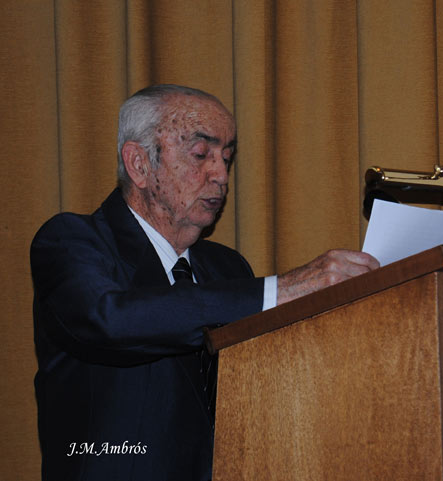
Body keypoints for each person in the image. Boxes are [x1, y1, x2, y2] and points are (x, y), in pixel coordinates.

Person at [30, 84, 379, 481]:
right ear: (139, 164)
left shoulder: (228, 268)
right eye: (201, 155)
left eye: (226, 158)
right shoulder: (71, 241)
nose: (221, 175)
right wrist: (281, 290)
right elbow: (110, 320)